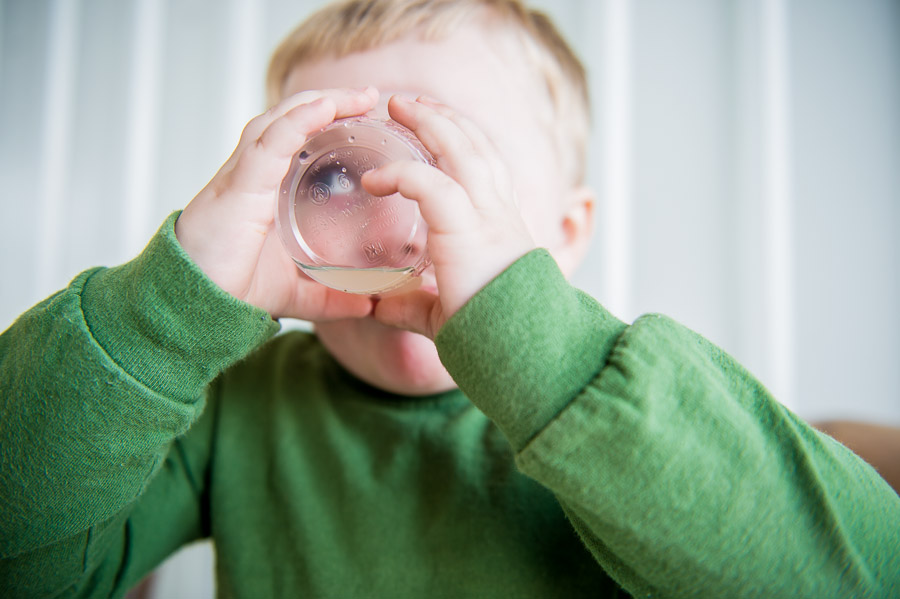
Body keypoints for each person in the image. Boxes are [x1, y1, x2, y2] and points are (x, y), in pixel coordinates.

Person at [1, 0, 898, 597]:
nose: (400, 205)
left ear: (566, 227)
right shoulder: (238, 403)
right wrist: (168, 308)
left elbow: (856, 574)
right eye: (336, 172)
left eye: (452, 154)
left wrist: (542, 351)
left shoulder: (632, 410)